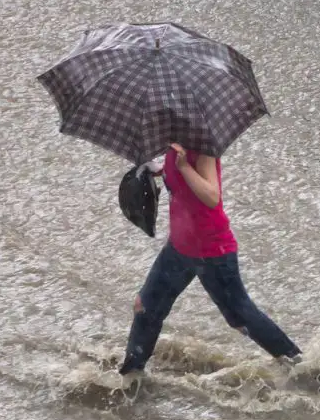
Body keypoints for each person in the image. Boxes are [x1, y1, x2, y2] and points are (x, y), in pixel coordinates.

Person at [119, 142, 303, 378]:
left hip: (212, 251)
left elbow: (211, 196)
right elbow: (176, 180)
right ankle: (131, 376)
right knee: (145, 307)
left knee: (239, 318)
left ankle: (300, 367)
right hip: (179, 248)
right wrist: (156, 168)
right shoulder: (173, 145)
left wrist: (184, 167)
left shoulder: (203, 147)